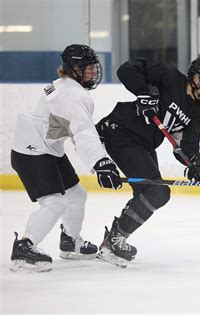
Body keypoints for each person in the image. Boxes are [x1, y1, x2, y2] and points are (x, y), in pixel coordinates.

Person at [95, 56, 200, 267]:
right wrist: (144, 91)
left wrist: (196, 161)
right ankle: (113, 241)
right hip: (121, 131)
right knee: (157, 192)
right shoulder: (169, 77)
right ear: (196, 78)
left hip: (143, 144)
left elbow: (187, 146)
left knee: (149, 195)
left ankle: (115, 237)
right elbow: (126, 69)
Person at [10, 44, 122, 272]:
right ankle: (25, 245)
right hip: (33, 152)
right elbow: (81, 133)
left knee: (77, 195)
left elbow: (74, 129)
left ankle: (70, 242)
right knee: (55, 203)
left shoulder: (64, 86)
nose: (93, 72)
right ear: (73, 69)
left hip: (47, 149)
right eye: (88, 68)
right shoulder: (73, 94)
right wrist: (100, 162)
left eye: (93, 67)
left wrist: (99, 158)